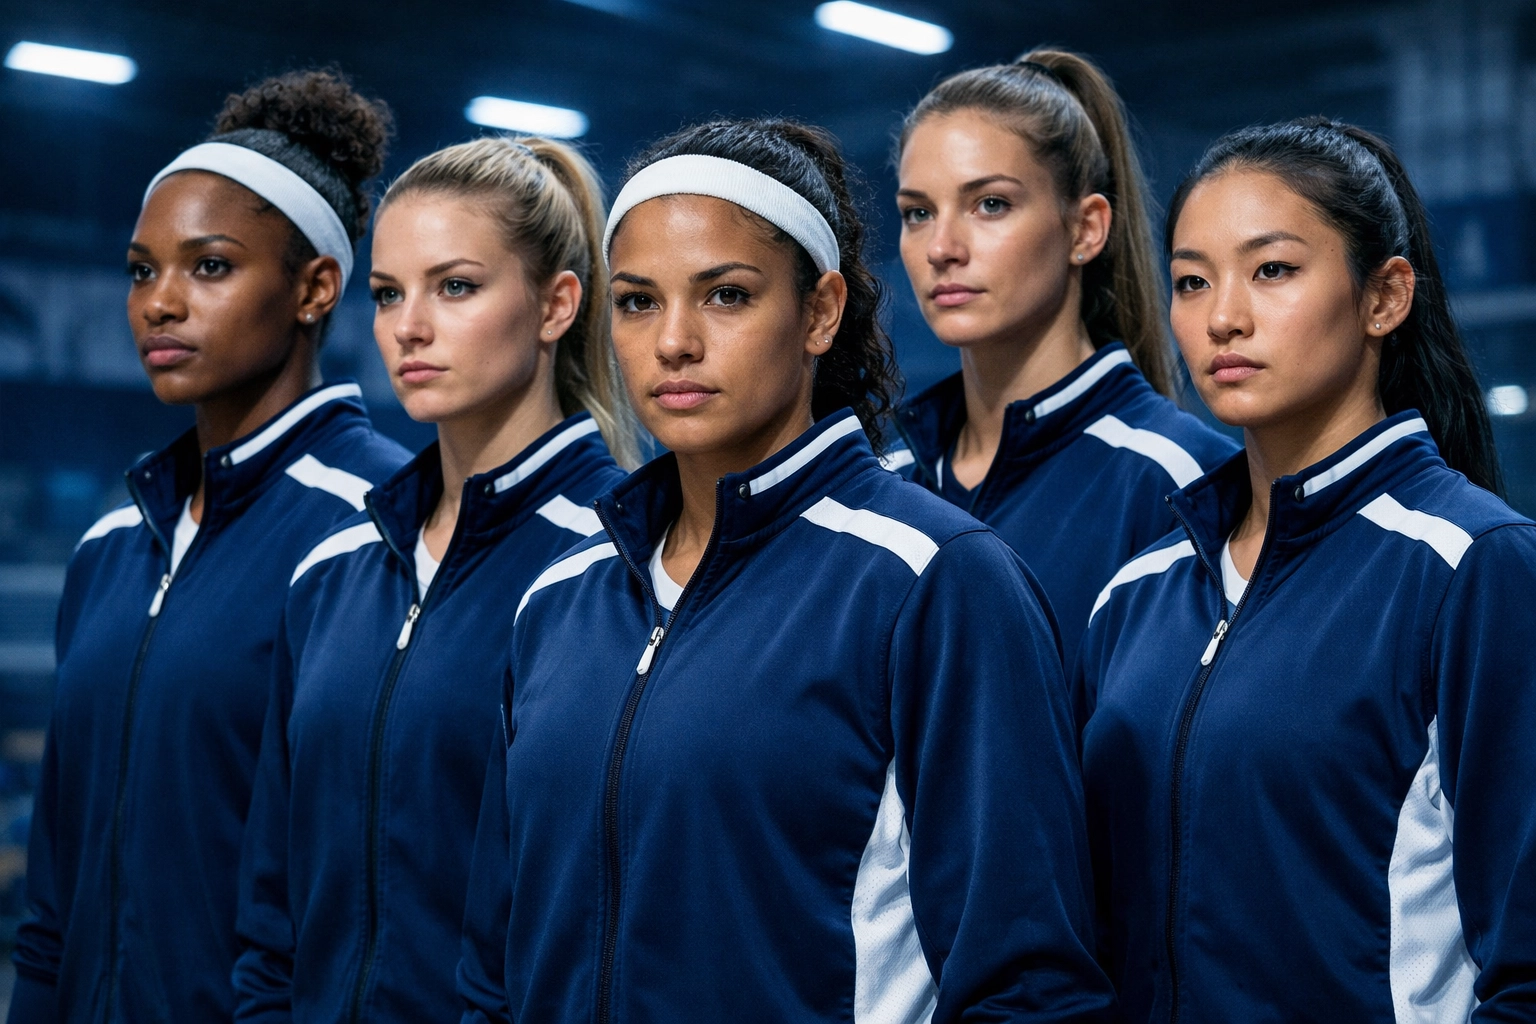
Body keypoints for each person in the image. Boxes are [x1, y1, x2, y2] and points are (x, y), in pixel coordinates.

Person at [457, 117, 1116, 1024]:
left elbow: (1029, 985)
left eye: (725, 296)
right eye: (639, 302)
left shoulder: (936, 581)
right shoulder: (559, 600)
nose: (674, 342)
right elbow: (493, 971)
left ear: (819, 312)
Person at [1077, 117, 1536, 1021]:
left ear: (1384, 296)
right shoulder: (1135, 596)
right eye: (1191, 281)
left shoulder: (1475, 570)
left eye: (1273, 270)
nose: (1223, 317)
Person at [8, 71, 410, 1023]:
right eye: (143, 270)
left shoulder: (385, 525)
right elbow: (53, 897)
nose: (160, 303)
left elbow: (385, 894)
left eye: (211, 266)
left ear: (315, 287)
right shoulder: (109, 548)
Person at [232, 135, 635, 1023]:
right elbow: (271, 906)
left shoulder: (622, 563)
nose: (408, 326)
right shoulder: (334, 571)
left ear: (556, 304)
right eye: (386, 294)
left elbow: (610, 917)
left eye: (455, 286)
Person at [891, 49, 1236, 666]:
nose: (941, 247)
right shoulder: (890, 484)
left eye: (990, 204)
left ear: (1085, 229)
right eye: (918, 212)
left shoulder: (1185, 482)